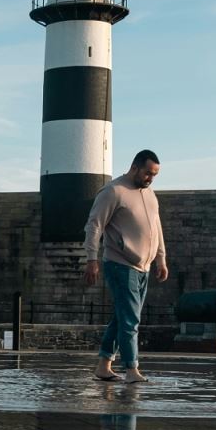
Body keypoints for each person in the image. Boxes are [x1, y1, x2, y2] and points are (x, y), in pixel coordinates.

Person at [83, 149, 168, 383]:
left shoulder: (150, 195)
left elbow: (156, 228)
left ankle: (103, 366)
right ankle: (132, 370)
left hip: (145, 267)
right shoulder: (113, 191)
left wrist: (161, 258)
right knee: (131, 319)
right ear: (134, 167)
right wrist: (92, 258)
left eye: (155, 175)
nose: (151, 178)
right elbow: (94, 225)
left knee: (122, 318)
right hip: (120, 264)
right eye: (148, 173)